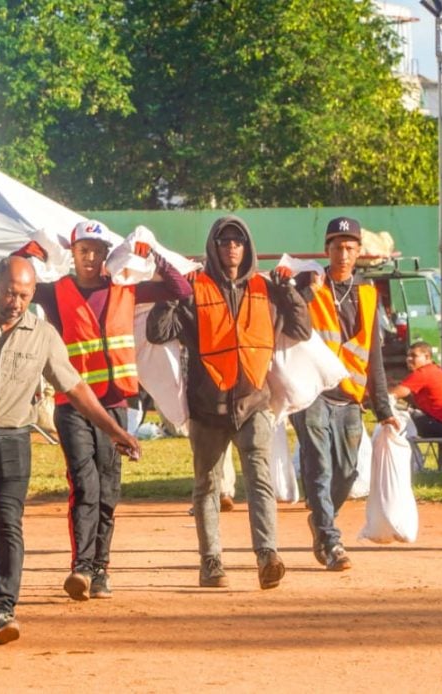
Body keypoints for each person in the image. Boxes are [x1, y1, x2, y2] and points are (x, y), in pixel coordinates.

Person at [0, 255, 141, 645]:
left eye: (24, 295)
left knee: (9, 525)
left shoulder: (43, 335)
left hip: (12, 442)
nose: (16, 302)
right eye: (10, 293)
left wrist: (113, 431)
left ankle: (4, 609)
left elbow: (75, 388)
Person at [15, 219, 190, 601]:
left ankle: (101, 570)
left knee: (109, 490)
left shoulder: (126, 290)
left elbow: (181, 288)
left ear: (106, 255)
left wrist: (153, 253)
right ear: (72, 255)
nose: (90, 258)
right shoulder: (55, 292)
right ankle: (80, 567)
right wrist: (31, 251)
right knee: (85, 485)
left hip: (117, 407)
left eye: (97, 251)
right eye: (83, 251)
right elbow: (5, 284)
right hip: (74, 405)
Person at [147, 215, 311, 590]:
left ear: (247, 247)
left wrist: (288, 292)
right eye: (224, 241)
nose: (232, 247)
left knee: (260, 479)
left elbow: (302, 329)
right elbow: (158, 334)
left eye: (238, 241)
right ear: (213, 247)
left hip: (254, 402)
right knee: (207, 484)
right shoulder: (193, 288)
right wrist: (170, 296)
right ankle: (211, 563)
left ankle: (268, 555)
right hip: (207, 407)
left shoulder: (265, 287)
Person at [291, 217, 397, 572]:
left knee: (348, 472)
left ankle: (321, 523)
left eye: (350, 247)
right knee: (318, 466)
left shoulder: (367, 294)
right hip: (313, 392)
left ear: (359, 252)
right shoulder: (309, 284)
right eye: (337, 247)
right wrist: (306, 288)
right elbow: (288, 317)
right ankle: (332, 541)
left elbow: (375, 357)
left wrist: (383, 408)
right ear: (327, 250)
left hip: (350, 396)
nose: (343, 253)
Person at [389, 341, 442, 438]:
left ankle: (396, 450)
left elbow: (393, 395)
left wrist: (372, 394)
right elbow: (411, 398)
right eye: (408, 356)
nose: (409, 359)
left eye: (414, 356)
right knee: (400, 413)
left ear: (427, 357)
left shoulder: (423, 372)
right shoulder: (435, 370)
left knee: (392, 416)